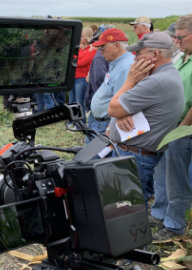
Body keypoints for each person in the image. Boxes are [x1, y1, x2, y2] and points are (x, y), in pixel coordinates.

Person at [107, 32, 184, 208]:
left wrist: (130, 81)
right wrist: (123, 112)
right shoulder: (166, 76)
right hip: (137, 153)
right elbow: (123, 108)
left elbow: (113, 108)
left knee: (128, 208)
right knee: (129, 205)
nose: (134, 59)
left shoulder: (156, 82)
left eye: (139, 54)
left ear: (155, 54)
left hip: (134, 154)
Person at [149, 14, 192, 241]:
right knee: (161, 173)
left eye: (182, 37)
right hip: (171, 127)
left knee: (178, 180)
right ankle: (159, 213)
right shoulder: (182, 58)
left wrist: (180, 129)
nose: (177, 41)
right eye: (175, 37)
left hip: (184, 130)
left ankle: (175, 225)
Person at [89, 29, 134, 137]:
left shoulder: (125, 67)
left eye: (102, 47)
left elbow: (121, 101)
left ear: (117, 46)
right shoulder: (117, 62)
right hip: (99, 121)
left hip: (105, 124)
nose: (100, 51)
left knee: (95, 154)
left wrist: (110, 128)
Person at [69, 27, 97, 122]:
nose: (80, 38)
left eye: (82, 36)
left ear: (88, 37)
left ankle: (81, 122)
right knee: (71, 100)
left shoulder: (92, 50)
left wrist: (75, 59)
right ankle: (72, 120)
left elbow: (80, 63)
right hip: (73, 77)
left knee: (79, 102)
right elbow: (71, 60)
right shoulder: (78, 48)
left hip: (82, 79)